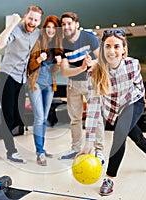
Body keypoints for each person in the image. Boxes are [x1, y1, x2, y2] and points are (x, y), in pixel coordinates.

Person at [78, 29, 146, 196]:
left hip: (133, 101)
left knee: (120, 134)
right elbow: (94, 107)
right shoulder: (93, 73)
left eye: (116, 46)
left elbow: (138, 87)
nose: (112, 51)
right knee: (137, 137)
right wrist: (88, 142)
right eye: (108, 46)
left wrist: (137, 103)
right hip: (113, 110)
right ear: (102, 49)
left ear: (124, 49)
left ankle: (109, 178)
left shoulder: (132, 65)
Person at [0, 5, 44, 164]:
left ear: (39, 21)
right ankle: (11, 151)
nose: (32, 22)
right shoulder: (16, 29)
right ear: (26, 16)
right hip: (7, 76)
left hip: (21, 78)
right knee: (8, 116)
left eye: (36, 20)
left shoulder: (37, 34)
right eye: (30, 18)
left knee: (18, 119)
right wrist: (12, 24)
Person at [58, 12, 105, 164]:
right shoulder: (62, 43)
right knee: (75, 119)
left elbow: (102, 60)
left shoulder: (89, 37)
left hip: (91, 81)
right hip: (73, 84)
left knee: (95, 119)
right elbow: (64, 71)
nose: (66, 27)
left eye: (69, 23)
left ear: (76, 24)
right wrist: (82, 67)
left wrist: (90, 64)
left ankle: (99, 152)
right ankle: (75, 149)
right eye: (63, 24)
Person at [27, 15, 63, 166]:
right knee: (39, 117)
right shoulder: (37, 41)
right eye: (48, 27)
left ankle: (41, 148)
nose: (50, 30)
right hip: (35, 84)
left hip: (49, 86)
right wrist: (39, 60)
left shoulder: (56, 47)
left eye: (53, 28)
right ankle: (39, 152)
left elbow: (53, 71)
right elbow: (29, 66)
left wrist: (58, 63)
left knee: (44, 119)